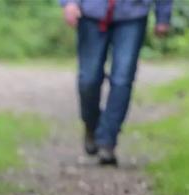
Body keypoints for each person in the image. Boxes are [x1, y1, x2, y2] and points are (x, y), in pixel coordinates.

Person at [60, 0, 172, 165]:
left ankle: (107, 140)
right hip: (91, 13)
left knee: (123, 79)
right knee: (88, 79)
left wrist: (163, 15)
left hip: (133, 14)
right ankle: (92, 125)